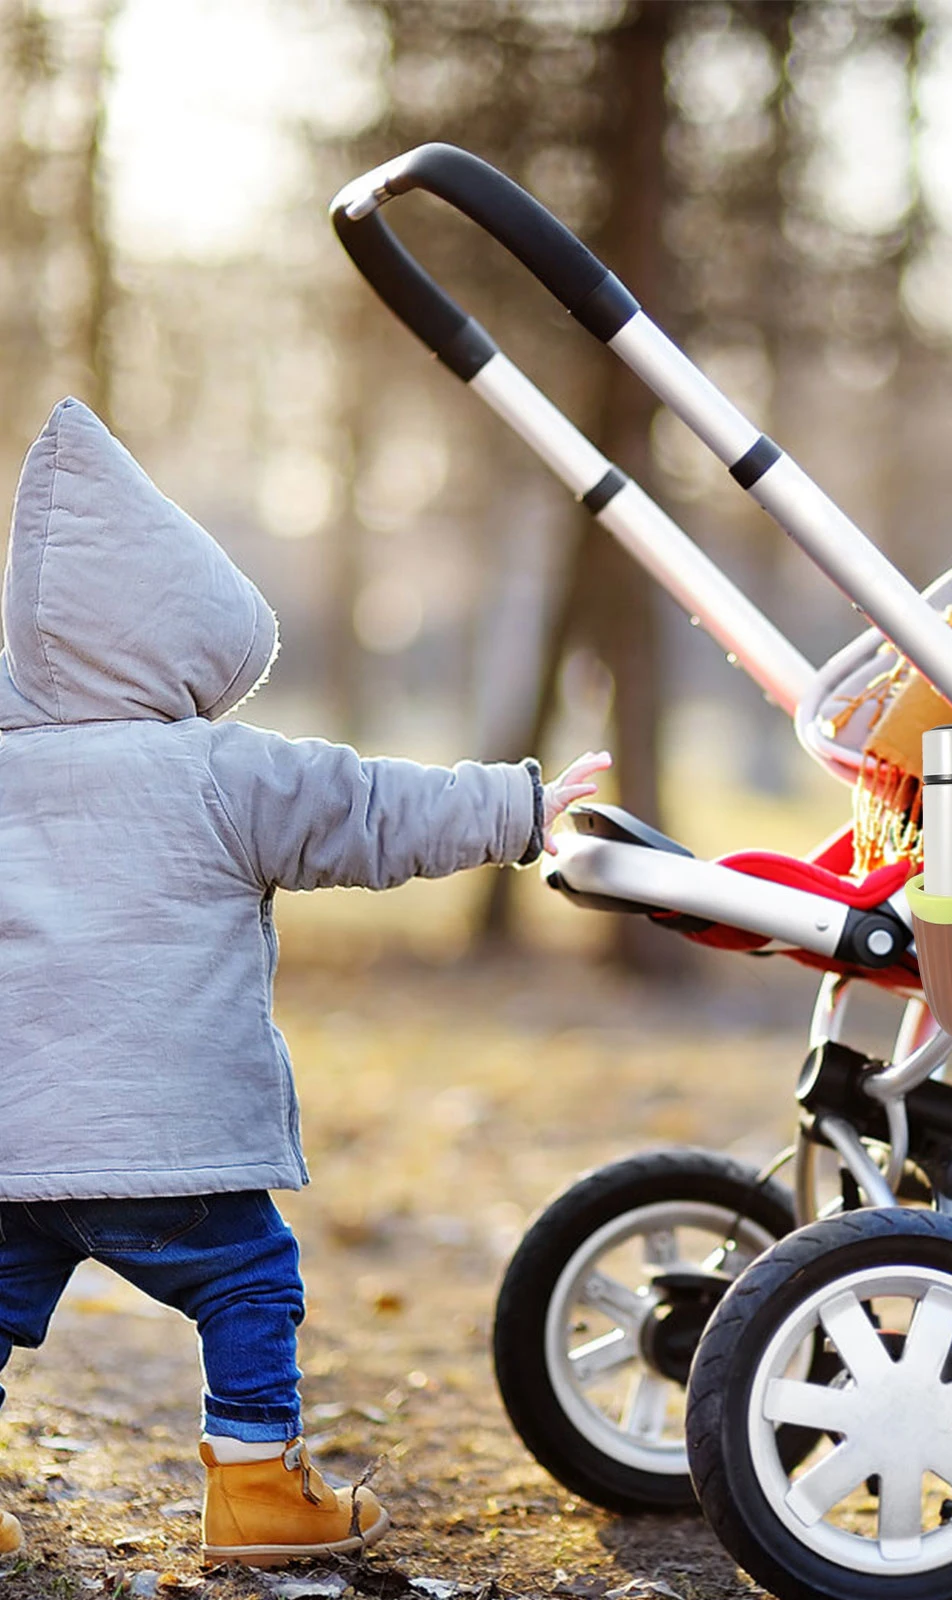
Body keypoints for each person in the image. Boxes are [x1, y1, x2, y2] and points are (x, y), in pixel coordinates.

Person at [0, 398, 610, 1566]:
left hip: (13, 1142)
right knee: (246, 1279)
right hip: (172, 1139)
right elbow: (370, 809)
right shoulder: (218, 770)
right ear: (175, 635)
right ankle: (254, 1487)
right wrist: (521, 807)